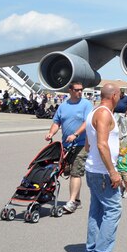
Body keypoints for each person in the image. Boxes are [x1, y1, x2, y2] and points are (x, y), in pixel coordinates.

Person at [84, 83, 125, 252]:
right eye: (120, 95)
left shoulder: (94, 112)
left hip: (95, 169)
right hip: (102, 172)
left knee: (97, 210)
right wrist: (113, 171)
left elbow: (88, 144)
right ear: (114, 95)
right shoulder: (103, 113)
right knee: (113, 210)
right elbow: (101, 144)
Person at [45, 82, 93, 214]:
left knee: (76, 173)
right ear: (70, 90)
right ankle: (76, 200)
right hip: (65, 145)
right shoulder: (63, 106)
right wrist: (51, 133)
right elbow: (57, 122)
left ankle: (71, 201)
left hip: (81, 144)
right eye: (77, 90)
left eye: (81, 90)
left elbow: (87, 122)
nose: (80, 92)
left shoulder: (86, 104)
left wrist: (76, 134)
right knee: (68, 171)